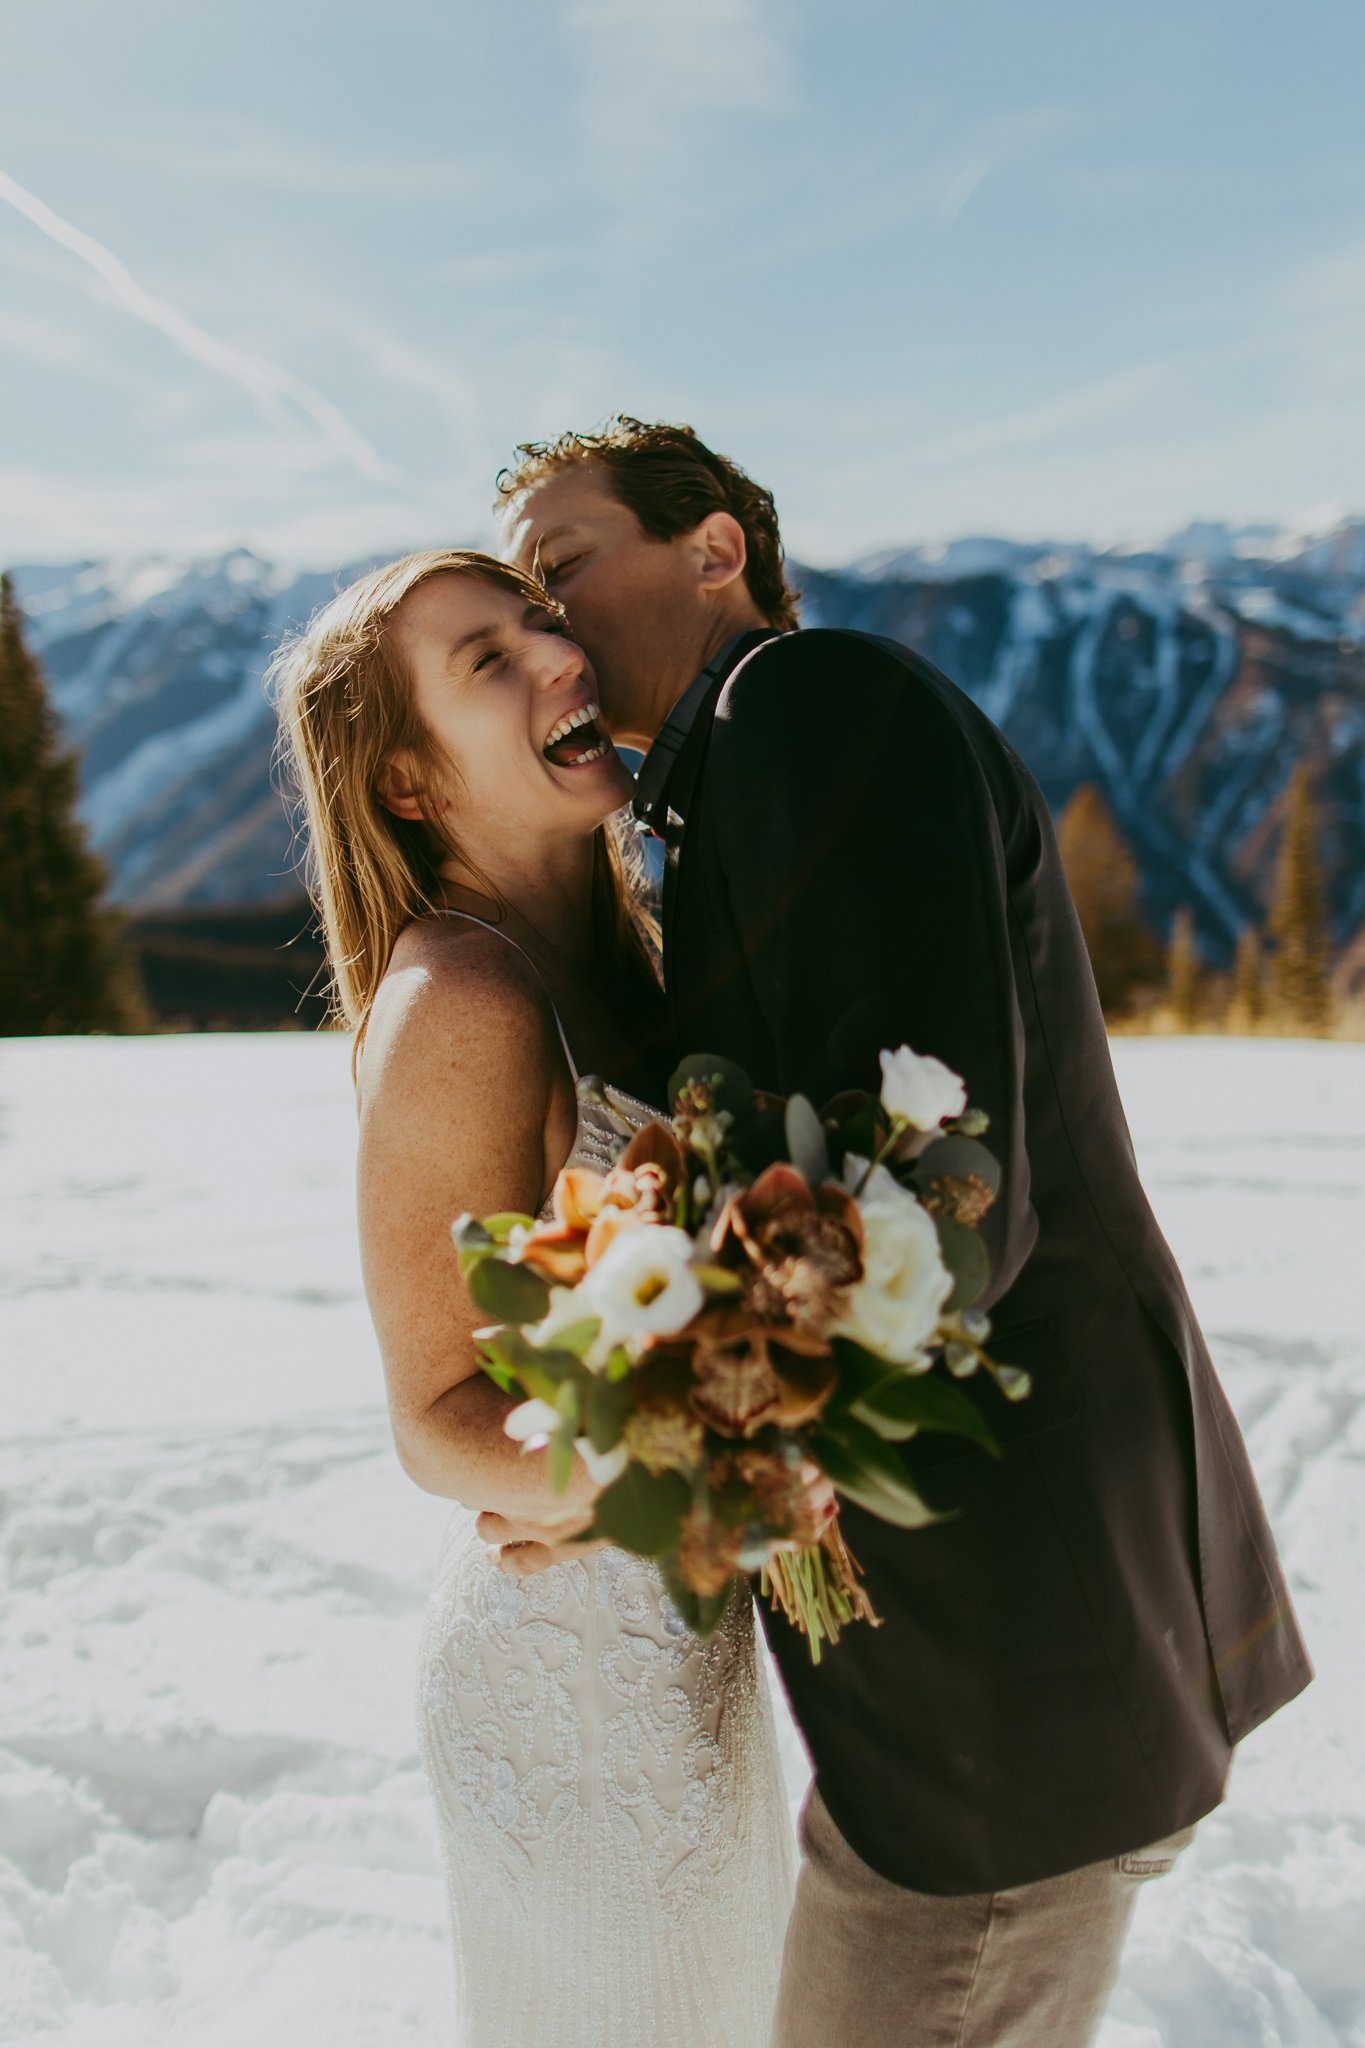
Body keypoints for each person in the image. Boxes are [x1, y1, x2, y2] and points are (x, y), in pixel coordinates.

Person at [489, 417, 1314, 2048]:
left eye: (559, 567)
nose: (545, 624)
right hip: (978, 1659)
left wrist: (650, 1461)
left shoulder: (809, 701)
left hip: (1012, 1655)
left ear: (713, 549)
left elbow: (928, 1190)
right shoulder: (727, 772)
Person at [270, 548, 797, 2048]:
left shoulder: (636, 959)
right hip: (573, 1694)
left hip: (689, 1660)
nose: (557, 660)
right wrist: (686, 1462)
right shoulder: (468, 1000)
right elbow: (439, 1423)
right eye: (483, 662)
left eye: (541, 624)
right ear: (407, 788)